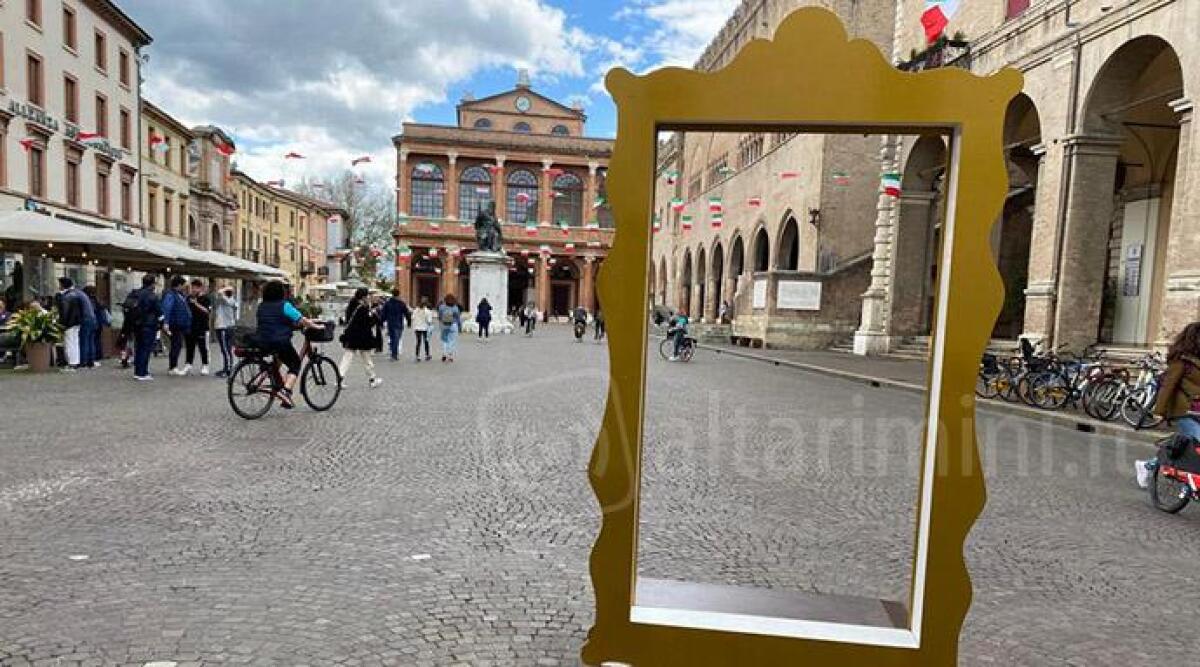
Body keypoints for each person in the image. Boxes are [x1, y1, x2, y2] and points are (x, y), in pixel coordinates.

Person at [1137, 322, 1200, 488]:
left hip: (1197, 410)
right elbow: (1168, 386)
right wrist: (1159, 411)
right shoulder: (1182, 361)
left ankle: (1148, 466)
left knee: (1184, 445)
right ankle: (1189, 485)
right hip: (1184, 410)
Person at [255, 280, 324, 408]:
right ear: (281, 293)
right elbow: (301, 319)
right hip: (278, 341)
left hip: (262, 341)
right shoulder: (284, 305)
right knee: (295, 363)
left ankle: (270, 382)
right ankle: (285, 391)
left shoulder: (261, 306)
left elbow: (272, 321)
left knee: (277, 362)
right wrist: (316, 326)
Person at [338, 287, 383, 388]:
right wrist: (374, 315)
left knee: (347, 358)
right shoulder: (362, 308)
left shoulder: (351, 305)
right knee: (367, 359)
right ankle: (372, 379)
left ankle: (339, 378)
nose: (369, 297)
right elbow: (368, 323)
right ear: (363, 297)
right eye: (367, 296)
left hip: (351, 336)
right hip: (363, 338)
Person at [128, 274, 164, 381]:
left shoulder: (135, 293)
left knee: (138, 348)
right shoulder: (152, 296)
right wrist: (162, 323)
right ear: (153, 284)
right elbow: (159, 312)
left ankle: (137, 371)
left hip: (136, 324)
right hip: (149, 325)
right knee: (146, 349)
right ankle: (142, 372)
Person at [56, 277, 93, 372]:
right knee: (78, 342)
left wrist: (63, 324)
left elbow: (66, 312)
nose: (58, 286)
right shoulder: (77, 293)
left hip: (73, 322)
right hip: (81, 321)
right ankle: (80, 362)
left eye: (59, 284)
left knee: (71, 342)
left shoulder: (69, 296)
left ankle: (75, 363)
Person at [160, 276, 192, 375]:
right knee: (175, 345)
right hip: (175, 324)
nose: (184, 287)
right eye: (183, 285)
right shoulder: (171, 295)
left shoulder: (179, 295)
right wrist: (166, 322)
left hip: (180, 324)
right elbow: (167, 308)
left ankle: (173, 366)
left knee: (177, 345)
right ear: (179, 285)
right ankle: (173, 367)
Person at [181, 278, 211, 375]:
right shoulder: (189, 297)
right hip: (190, 327)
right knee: (190, 347)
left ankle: (205, 365)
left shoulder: (206, 298)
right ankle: (188, 365)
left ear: (200, 288)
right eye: (192, 288)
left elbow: (207, 311)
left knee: (203, 348)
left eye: (195, 288)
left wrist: (196, 303)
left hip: (202, 327)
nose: (193, 290)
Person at [212, 285, 239, 378]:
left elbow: (219, 292)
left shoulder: (230, 300)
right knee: (225, 349)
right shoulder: (224, 300)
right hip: (223, 327)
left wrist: (223, 289)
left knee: (226, 350)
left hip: (225, 327)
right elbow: (218, 295)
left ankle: (228, 370)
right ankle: (226, 368)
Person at [381, 289, 412, 361]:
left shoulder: (387, 303)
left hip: (390, 324)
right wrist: (409, 322)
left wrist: (381, 322)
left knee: (393, 339)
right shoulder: (401, 303)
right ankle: (394, 354)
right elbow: (407, 313)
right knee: (396, 339)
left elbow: (383, 314)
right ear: (398, 294)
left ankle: (393, 354)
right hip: (398, 324)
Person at [82, 285, 107, 368]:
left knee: (87, 341)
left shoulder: (88, 300)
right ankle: (94, 358)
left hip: (90, 322)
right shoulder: (97, 299)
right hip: (97, 323)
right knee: (94, 341)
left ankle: (87, 360)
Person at [438, 294, 463, 362]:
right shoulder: (455, 307)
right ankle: (450, 355)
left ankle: (444, 354)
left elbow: (439, 316)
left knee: (444, 340)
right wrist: (460, 326)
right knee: (452, 341)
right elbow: (458, 318)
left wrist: (441, 322)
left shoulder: (442, 307)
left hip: (444, 324)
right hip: (453, 325)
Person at [411, 297, 433, 362]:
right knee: (426, 342)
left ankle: (417, 356)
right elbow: (429, 321)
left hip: (417, 328)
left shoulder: (415, 310)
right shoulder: (428, 312)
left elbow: (413, 318)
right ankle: (427, 355)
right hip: (425, 328)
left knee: (418, 342)